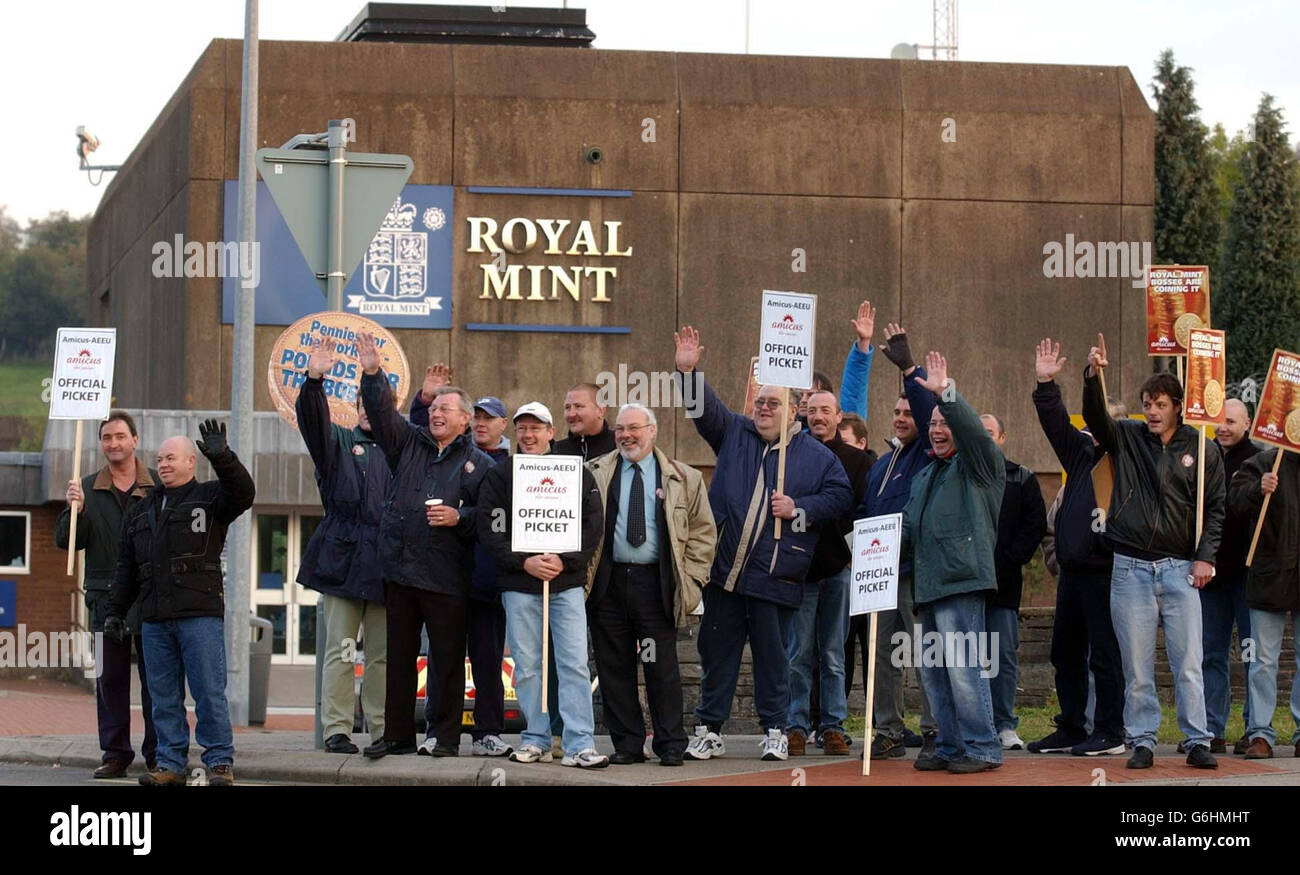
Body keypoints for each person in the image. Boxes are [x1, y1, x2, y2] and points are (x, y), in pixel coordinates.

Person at [672, 326, 853, 761]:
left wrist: (799, 508)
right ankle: (709, 726)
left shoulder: (817, 455)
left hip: (776, 575)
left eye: (774, 403)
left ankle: (775, 728)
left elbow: (842, 496)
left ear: (795, 412)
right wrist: (687, 371)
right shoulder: (734, 432)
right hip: (725, 575)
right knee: (717, 654)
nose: (764, 408)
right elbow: (704, 410)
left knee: (775, 661)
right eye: (760, 401)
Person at [1082, 333, 1224, 770]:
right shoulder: (1126, 437)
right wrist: (1093, 376)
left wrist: (1206, 557)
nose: (1153, 411)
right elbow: (1095, 417)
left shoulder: (1203, 448)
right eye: (1148, 403)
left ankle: (1196, 739)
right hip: (1130, 570)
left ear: (1178, 406)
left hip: (1181, 568)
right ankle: (1142, 738)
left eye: (1161, 404)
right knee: (1137, 666)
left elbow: (1215, 508)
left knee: (1188, 663)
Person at [355, 333, 492, 760]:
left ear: (465, 420)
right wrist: (373, 374)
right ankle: (397, 735)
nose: (435, 414)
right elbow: (381, 414)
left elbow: (489, 521)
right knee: (398, 657)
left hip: (447, 575)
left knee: (446, 659)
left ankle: (445, 737)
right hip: (399, 569)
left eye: (445, 409)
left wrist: (460, 517)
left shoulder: (482, 466)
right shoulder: (408, 443)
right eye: (432, 408)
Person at [107, 420, 256, 786]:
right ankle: (169, 765)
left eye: (171, 458)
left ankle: (219, 762)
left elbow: (243, 493)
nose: (164, 465)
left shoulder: (210, 497)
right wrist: (114, 611)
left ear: (192, 461)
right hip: (154, 619)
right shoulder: (141, 510)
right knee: (163, 698)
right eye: (159, 459)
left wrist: (223, 458)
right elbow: (127, 566)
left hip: (199, 616)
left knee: (208, 692)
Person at [477, 402, 609, 767]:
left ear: (551, 432)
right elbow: (490, 528)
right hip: (519, 587)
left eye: (536, 428)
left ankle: (579, 743)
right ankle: (535, 737)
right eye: (522, 429)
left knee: (574, 664)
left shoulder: (576, 473)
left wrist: (564, 561)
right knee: (529, 665)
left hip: (565, 586)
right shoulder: (502, 475)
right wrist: (525, 562)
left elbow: (592, 524)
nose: (528, 435)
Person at [586, 403, 717, 765]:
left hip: (656, 584)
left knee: (661, 667)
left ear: (652, 430)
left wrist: (691, 581)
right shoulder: (594, 472)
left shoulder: (683, 476)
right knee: (614, 670)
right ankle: (627, 745)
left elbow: (704, 534)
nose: (626, 435)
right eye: (620, 430)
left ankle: (671, 743)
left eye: (634, 428)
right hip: (608, 583)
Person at [903, 352, 1005, 774]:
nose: (939, 430)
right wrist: (871, 546)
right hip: (926, 585)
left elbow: (973, 433)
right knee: (935, 674)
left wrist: (946, 396)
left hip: (960, 582)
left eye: (945, 424)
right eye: (933, 426)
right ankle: (948, 744)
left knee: (964, 670)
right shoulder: (926, 474)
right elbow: (909, 527)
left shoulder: (979, 466)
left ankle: (982, 747)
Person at [410, 366, 514, 757]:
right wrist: (425, 399)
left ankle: (488, 731)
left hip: (487, 580)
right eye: (480, 418)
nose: (483, 425)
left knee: (488, 661)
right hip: (447, 578)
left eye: (489, 419)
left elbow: (495, 521)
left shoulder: (506, 466)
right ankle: (440, 732)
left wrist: (462, 516)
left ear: (501, 424)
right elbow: (415, 433)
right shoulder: (441, 453)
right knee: (443, 658)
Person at [1029, 339, 1126, 756]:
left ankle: (1109, 731)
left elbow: (1097, 415)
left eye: (1095, 426)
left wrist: (1093, 380)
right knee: (1065, 652)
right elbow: (1055, 424)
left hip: (1107, 570)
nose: (1087, 432)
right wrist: (1046, 383)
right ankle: (1071, 725)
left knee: (1104, 655)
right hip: (1072, 571)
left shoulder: (1125, 458)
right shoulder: (1079, 456)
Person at [295, 340, 390, 754]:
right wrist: (314, 380)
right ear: (354, 409)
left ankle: (384, 729)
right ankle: (337, 728)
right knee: (340, 650)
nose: (368, 411)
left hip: (388, 563)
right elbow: (312, 422)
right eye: (362, 405)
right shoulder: (335, 442)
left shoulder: (403, 446)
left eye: (375, 403)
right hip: (343, 560)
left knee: (383, 655)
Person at [54, 411, 162, 778]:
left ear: (135, 439)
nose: (113, 443)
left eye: (119, 436)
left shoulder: (158, 487)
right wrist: (76, 513)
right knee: (109, 681)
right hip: (104, 600)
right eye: (106, 437)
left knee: (157, 681)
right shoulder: (84, 488)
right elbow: (66, 542)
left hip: (151, 599)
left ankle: (159, 753)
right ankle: (116, 753)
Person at [855, 323, 939, 758]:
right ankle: (887, 730)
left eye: (908, 413)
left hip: (915, 573)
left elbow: (929, 413)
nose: (902, 418)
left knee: (923, 653)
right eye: (896, 413)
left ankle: (933, 729)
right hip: (878, 577)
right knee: (882, 658)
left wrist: (909, 369)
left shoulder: (928, 452)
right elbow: (867, 514)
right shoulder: (881, 465)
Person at [785, 389, 870, 756]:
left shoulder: (858, 460)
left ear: (839, 417)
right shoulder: (790, 457)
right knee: (798, 654)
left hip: (839, 569)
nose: (818, 416)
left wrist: (856, 556)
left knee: (834, 653)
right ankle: (796, 726)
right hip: (800, 571)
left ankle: (833, 725)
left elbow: (867, 509)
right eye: (812, 410)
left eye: (826, 411)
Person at [979, 413, 1048, 750]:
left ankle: (1005, 724)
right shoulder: (962, 475)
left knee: (1003, 657)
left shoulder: (1021, 478)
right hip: (966, 586)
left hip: (1004, 587)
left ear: (1002, 438)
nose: (985, 437)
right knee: (967, 657)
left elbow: (1035, 523)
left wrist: (1009, 560)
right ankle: (975, 724)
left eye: (990, 432)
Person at [1229, 445, 1299, 759]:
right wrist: (1258, 489)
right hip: (1268, 572)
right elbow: (1234, 502)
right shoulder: (1262, 463)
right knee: (1262, 661)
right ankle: (1260, 733)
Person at [1200, 398, 1259, 754]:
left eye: (1232, 421)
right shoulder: (1204, 457)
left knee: (1254, 656)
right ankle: (1211, 729)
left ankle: (1255, 729)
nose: (1223, 427)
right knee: (1211, 655)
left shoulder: (1261, 460)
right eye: (1219, 420)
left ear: (1248, 423)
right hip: (1211, 577)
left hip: (1249, 578)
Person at [554, 382, 616, 460]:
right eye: (567, 407)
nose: (571, 414)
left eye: (578, 406)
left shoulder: (620, 447)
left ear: (601, 411)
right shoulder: (556, 452)